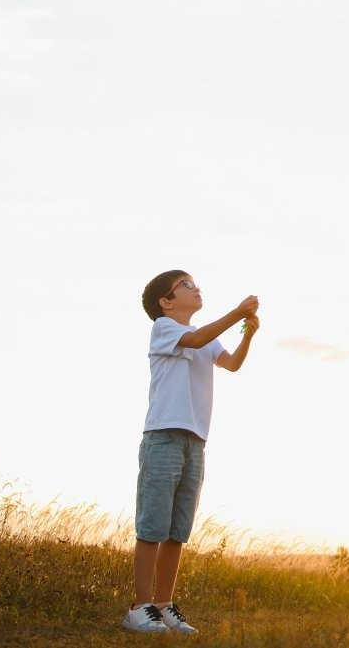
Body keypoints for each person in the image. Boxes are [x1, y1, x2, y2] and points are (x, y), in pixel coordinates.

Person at [123, 270, 259, 635]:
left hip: (195, 440)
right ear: (166, 302)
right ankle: (139, 607)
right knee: (152, 525)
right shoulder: (165, 328)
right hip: (163, 436)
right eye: (185, 285)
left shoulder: (204, 338)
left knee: (177, 530)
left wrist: (248, 334)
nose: (195, 287)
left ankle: (164, 605)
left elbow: (230, 363)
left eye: (194, 282)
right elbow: (197, 339)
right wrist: (236, 312)